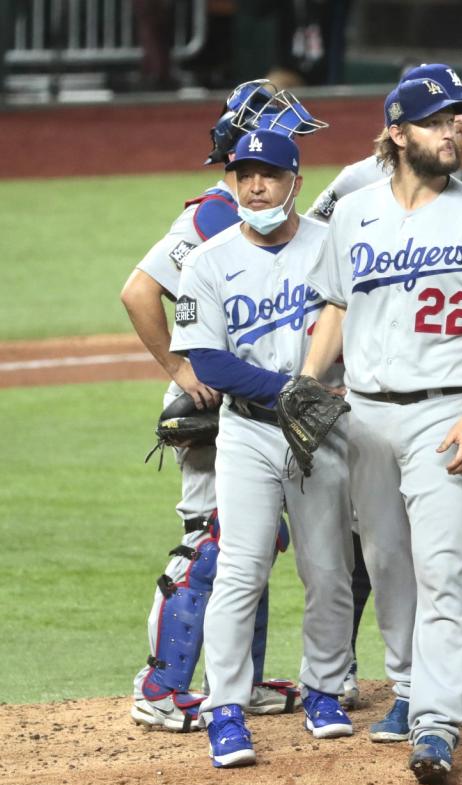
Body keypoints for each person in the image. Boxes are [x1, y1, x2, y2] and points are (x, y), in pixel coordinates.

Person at [301, 78, 462, 785]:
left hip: (442, 412)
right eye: (436, 121)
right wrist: (307, 382)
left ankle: (436, 722)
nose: (453, 130)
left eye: (457, 118)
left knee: (442, 569)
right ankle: (405, 688)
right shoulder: (354, 212)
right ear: (397, 133)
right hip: (365, 412)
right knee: (387, 561)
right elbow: (335, 302)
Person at [122, 80, 314, 733]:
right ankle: (160, 684)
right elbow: (139, 291)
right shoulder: (211, 213)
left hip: (260, 400)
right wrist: (180, 368)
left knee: (252, 541)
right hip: (217, 405)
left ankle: (240, 681)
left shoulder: (259, 212)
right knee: (213, 538)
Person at [170, 128, 356, 768]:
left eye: (269, 174)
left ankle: (325, 690)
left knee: (328, 568)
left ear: (295, 181)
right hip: (247, 433)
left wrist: (317, 394)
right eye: (243, 173)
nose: (255, 185)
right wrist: (290, 391)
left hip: (325, 428)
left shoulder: (333, 248)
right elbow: (207, 361)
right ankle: (224, 705)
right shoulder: (208, 261)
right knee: (241, 570)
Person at [307, 62, 462, 222]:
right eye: (437, 116)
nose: (460, 119)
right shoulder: (358, 180)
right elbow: (312, 237)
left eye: (456, 111)